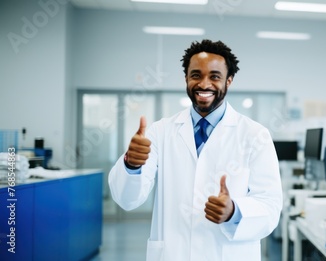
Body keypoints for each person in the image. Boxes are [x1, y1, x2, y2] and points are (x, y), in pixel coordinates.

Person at [108, 39, 283, 261]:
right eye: (196, 75)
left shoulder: (255, 135)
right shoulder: (160, 132)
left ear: (229, 81)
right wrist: (131, 165)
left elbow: (270, 206)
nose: (204, 83)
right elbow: (127, 199)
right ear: (186, 79)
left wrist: (234, 212)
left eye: (215, 76)